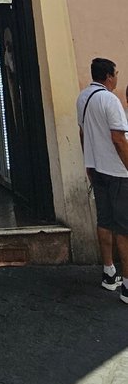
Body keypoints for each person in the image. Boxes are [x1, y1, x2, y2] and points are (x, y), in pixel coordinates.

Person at [77, 58, 128, 302]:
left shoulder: (82, 98)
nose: (117, 77)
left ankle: (109, 272)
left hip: (96, 168)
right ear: (108, 76)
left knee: (104, 220)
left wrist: (88, 161)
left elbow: (82, 133)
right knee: (124, 227)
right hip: (117, 172)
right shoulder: (110, 100)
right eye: (116, 73)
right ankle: (127, 285)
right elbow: (119, 138)